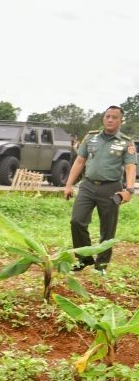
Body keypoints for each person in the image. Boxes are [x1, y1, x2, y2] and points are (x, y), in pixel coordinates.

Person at [64, 106, 136, 274]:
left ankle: (101, 265)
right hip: (87, 186)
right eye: (107, 116)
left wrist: (129, 190)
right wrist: (68, 185)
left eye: (114, 117)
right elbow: (80, 161)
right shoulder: (91, 137)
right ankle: (84, 259)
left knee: (107, 229)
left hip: (111, 188)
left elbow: (130, 167)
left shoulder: (126, 142)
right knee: (77, 221)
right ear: (103, 118)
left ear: (121, 121)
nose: (110, 120)